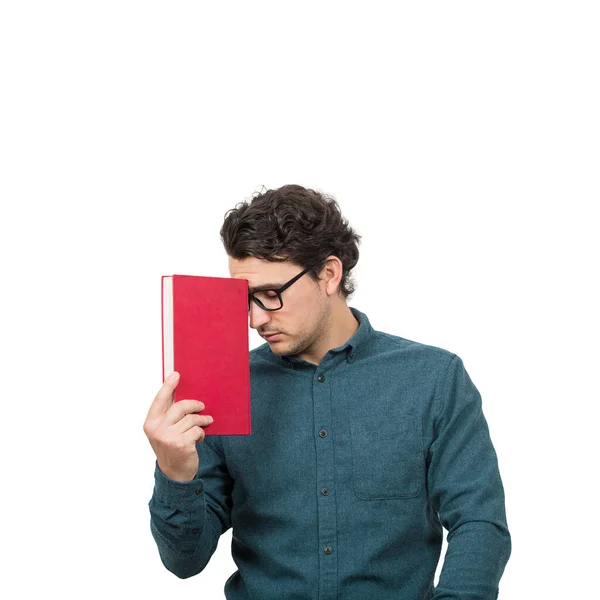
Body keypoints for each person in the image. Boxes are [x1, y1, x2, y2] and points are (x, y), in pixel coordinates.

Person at [144, 184, 511, 599]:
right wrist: (175, 471)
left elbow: (479, 522)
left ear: (329, 274)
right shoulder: (223, 386)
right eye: (245, 299)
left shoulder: (433, 379)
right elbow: (184, 561)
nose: (256, 319)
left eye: (271, 294)